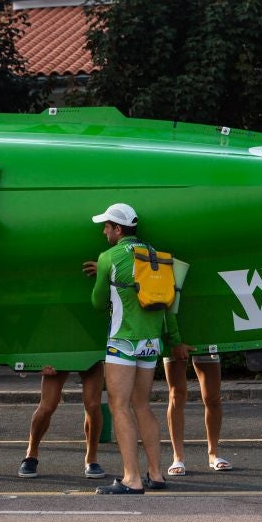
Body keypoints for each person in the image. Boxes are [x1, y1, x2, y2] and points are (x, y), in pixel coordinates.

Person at [85, 203, 187, 494]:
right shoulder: (156, 256)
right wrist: (174, 340)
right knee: (143, 405)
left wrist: (104, 280)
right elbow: (169, 307)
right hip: (152, 343)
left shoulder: (109, 257)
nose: (103, 230)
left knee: (119, 406)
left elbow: (96, 302)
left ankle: (132, 478)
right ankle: (156, 474)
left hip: (122, 342)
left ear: (119, 229)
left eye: (106, 226)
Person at [17, 362, 106, 479]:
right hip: (57, 353)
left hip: (90, 353)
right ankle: (31, 454)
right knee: (47, 406)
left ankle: (91, 459)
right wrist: (37, 363)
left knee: (93, 405)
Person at [163, 349, 231, 476]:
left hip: (205, 337)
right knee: (176, 396)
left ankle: (213, 454)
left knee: (212, 397)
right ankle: (177, 457)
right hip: (176, 337)